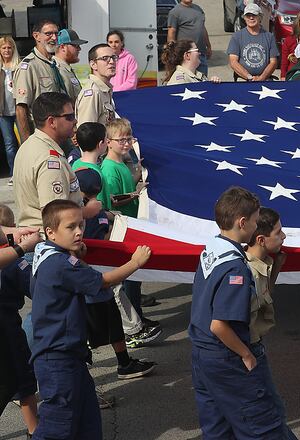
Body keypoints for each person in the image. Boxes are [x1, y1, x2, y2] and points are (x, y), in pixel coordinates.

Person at [30, 199, 151, 440]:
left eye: (81, 225)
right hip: (57, 359)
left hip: (69, 355)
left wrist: (77, 253)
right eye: (70, 227)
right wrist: (135, 263)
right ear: (50, 232)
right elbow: (102, 282)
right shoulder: (60, 264)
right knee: (58, 425)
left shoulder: (48, 253)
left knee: (87, 419)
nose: (78, 232)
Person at [190, 186, 292, 438]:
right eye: (256, 221)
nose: (257, 225)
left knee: (218, 428)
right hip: (226, 357)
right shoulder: (236, 269)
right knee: (261, 424)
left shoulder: (212, 248)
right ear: (242, 222)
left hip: (202, 354)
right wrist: (246, 354)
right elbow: (220, 325)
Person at [73, 122, 161, 350]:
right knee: (124, 279)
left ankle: (135, 320)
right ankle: (133, 326)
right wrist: (136, 193)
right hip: (116, 228)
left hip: (123, 224)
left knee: (128, 278)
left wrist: (134, 176)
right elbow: (110, 202)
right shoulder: (107, 170)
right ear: (105, 143)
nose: (127, 143)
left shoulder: (116, 165)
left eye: (129, 138)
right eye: (120, 139)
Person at [74, 167, 157, 384]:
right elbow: (106, 240)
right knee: (91, 333)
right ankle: (116, 365)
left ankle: (122, 362)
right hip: (96, 282)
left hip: (88, 286)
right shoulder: (94, 216)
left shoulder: (77, 213)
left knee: (99, 330)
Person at [245, 207, 297, 439]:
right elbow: (224, 323)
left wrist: (276, 267)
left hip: (254, 347)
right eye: (279, 232)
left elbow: (264, 295)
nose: (284, 236)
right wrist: (246, 355)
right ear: (261, 239)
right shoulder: (247, 271)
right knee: (270, 412)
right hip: (247, 350)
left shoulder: (263, 262)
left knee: (270, 410)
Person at [13, 92, 87, 231]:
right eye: (69, 117)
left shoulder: (30, 145)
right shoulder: (50, 160)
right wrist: (88, 211)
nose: (75, 121)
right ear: (52, 122)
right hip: (51, 241)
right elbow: (56, 215)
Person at [0, 208, 41, 439]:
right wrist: (23, 248)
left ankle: (34, 429)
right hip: (6, 325)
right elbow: (35, 289)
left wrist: (13, 233)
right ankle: (34, 430)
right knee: (18, 380)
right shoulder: (15, 263)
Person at [14, 20, 63, 144]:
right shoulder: (28, 66)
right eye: (48, 34)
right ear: (36, 36)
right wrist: (27, 144)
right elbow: (21, 109)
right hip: (41, 136)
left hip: (58, 132)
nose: (54, 37)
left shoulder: (54, 64)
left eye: (56, 34)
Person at [228, 3, 278, 82]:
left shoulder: (269, 37)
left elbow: (273, 62)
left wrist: (262, 78)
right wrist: (248, 77)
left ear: (260, 17)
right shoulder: (236, 36)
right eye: (248, 15)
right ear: (244, 18)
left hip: (265, 79)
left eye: (254, 15)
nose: (251, 18)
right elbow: (233, 61)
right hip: (243, 79)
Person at [76, 44, 117, 128]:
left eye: (113, 57)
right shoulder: (93, 92)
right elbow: (86, 133)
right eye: (105, 58)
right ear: (93, 64)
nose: (112, 61)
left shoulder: (105, 89)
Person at [167, 0, 211, 75]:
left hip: (200, 53)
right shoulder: (175, 12)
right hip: (186, 56)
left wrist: (208, 46)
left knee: (202, 82)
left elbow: (202, 28)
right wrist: (172, 51)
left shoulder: (198, 9)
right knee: (187, 82)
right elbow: (171, 32)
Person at [0, 36, 19, 185]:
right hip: (3, 112)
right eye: (3, 48)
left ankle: (25, 172)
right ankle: (14, 173)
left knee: (25, 142)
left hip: (19, 109)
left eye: (9, 47)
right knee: (9, 144)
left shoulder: (19, 66)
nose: (7, 50)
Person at [54, 29, 87, 104]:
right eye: (76, 45)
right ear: (62, 47)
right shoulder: (56, 69)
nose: (79, 49)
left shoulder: (67, 69)